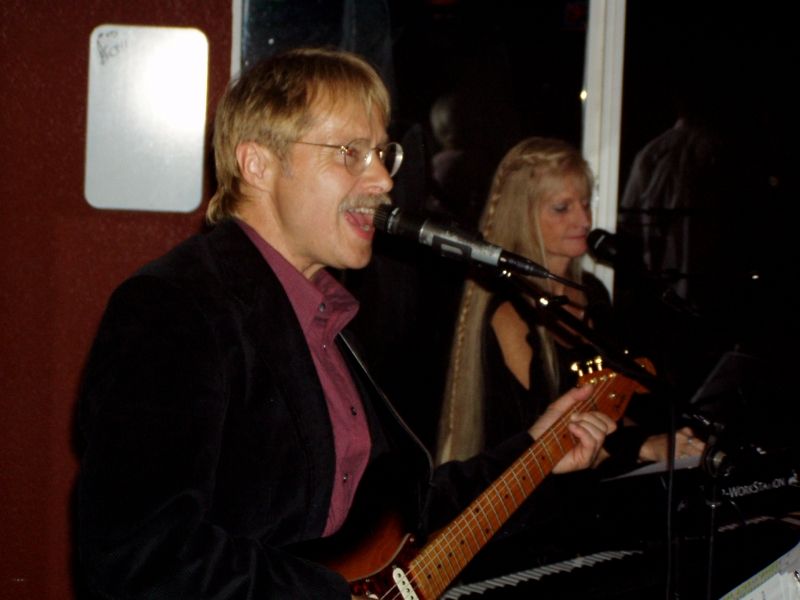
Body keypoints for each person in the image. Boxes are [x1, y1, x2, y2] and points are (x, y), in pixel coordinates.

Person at [75, 49, 615, 599]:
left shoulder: (328, 316)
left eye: (382, 154)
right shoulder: (174, 307)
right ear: (257, 164)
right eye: (350, 153)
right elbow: (140, 553)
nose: (382, 180)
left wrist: (536, 453)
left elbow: (402, 518)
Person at [437, 136, 705, 471]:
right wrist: (643, 447)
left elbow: (621, 403)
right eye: (562, 208)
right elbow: (549, 434)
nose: (585, 221)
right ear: (523, 216)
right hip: (542, 487)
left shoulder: (592, 291)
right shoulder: (508, 310)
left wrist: (665, 440)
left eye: (586, 204)